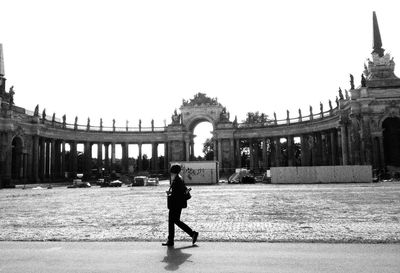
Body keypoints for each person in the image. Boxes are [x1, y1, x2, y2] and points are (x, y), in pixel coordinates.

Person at [162, 165, 198, 247]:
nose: (170, 173)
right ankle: (172, 239)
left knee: (174, 221)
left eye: (171, 171)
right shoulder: (178, 178)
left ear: (173, 171)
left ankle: (192, 234)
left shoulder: (177, 180)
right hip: (176, 204)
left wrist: (170, 194)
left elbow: (178, 193)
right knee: (174, 221)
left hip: (176, 204)